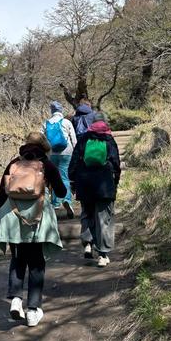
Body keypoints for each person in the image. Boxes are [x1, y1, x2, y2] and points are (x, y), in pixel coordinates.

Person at [0, 132, 67, 327]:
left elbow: (1, 194)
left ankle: (16, 300)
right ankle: (33, 311)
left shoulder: (14, 163)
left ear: (26, 144)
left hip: (13, 219)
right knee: (36, 264)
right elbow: (62, 191)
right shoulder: (47, 164)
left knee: (17, 259)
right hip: (38, 220)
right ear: (44, 146)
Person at [68, 112, 121, 268]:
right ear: (105, 124)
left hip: (84, 184)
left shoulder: (84, 139)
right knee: (104, 218)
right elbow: (116, 163)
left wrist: (72, 181)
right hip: (104, 185)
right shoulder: (109, 139)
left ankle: (88, 243)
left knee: (87, 214)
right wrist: (115, 181)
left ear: (91, 124)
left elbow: (74, 161)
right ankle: (103, 254)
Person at [42, 101, 77, 218]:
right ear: (61, 110)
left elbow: (41, 139)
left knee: (54, 177)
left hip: (52, 154)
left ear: (51, 111)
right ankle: (66, 199)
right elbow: (74, 139)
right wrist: (76, 153)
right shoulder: (67, 122)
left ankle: (56, 203)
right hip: (66, 153)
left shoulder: (46, 123)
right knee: (64, 176)